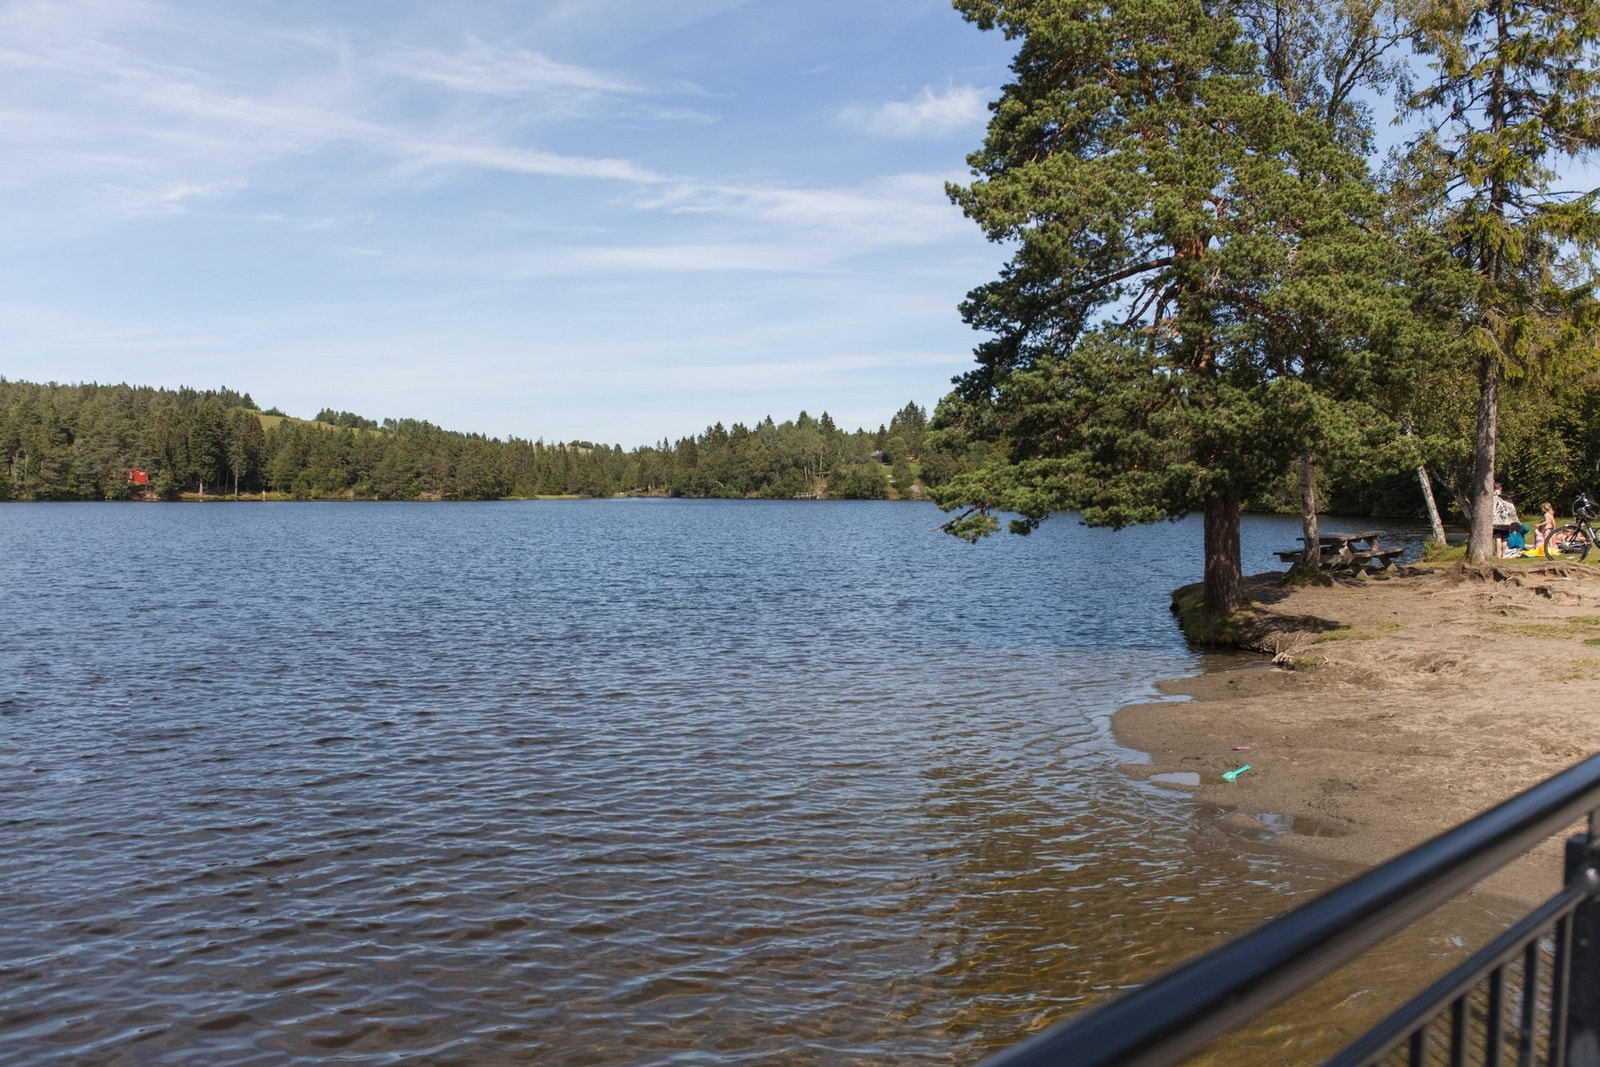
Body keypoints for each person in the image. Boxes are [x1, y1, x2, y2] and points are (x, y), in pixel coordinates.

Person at [1492, 483, 1520, 557]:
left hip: (1496, 521)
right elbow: (1512, 510)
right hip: (1506, 521)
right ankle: (1504, 554)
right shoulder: (1506, 497)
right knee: (1505, 538)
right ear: (1500, 488)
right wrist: (1515, 521)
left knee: (1498, 538)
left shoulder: (1491, 498)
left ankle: (1498, 554)